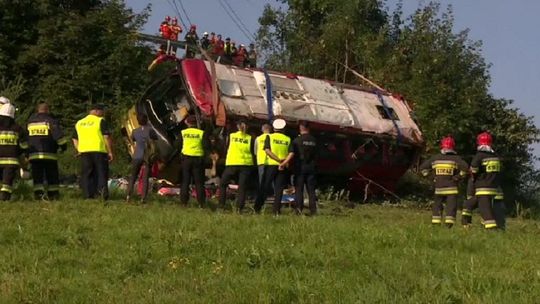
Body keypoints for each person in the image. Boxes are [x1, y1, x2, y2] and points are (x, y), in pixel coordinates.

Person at [419, 136, 468, 227]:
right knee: (451, 207)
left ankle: (436, 223)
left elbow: (423, 169)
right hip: (452, 189)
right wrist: (457, 177)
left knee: (437, 205)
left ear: (442, 146)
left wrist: (432, 177)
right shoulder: (456, 159)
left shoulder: (435, 158)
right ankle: (449, 225)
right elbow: (465, 169)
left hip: (439, 188)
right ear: (453, 147)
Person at [462, 131, 502, 229]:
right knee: (468, 204)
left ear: (479, 143)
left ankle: (492, 231)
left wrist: (473, 179)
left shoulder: (479, 156)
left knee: (486, 211)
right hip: (493, 188)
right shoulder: (495, 157)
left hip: (482, 188)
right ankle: (466, 225)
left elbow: (473, 171)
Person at [27, 103, 67, 200]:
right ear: (48, 110)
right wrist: (63, 147)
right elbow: (58, 137)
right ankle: (53, 196)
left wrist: (26, 152)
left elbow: (26, 138)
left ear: (38, 110)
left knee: (37, 176)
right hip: (49, 154)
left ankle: (39, 195)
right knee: (52, 175)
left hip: (34, 154)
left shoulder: (30, 122)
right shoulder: (50, 121)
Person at [73, 104, 114, 200]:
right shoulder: (100, 121)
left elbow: (74, 139)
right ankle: (102, 195)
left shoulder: (79, 122)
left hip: (85, 152)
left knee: (87, 174)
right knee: (101, 173)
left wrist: (79, 149)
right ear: (96, 111)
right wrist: (110, 151)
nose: (102, 113)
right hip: (99, 151)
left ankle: (88, 195)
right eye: (101, 111)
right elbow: (106, 137)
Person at [254, 119, 292, 215]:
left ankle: (257, 207)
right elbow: (291, 153)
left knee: (264, 186)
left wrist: (278, 160)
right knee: (279, 189)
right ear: (283, 128)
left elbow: (267, 151)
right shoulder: (287, 139)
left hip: (270, 165)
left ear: (274, 128)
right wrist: (283, 163)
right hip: (282, 167)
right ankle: (276, 211)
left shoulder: (269, 137)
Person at [281, 121, 318, 215]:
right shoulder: (314, 140)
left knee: (299, 189)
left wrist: (285, 163)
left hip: (300, 168)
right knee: (311, 191)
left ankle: (298, 210)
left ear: (300, 128)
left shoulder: (296, 140)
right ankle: (313, 210)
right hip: (312, 168)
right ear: (308, 128)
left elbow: (292, 154)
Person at [219, 120, 255, 210]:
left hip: (232, 163)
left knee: (223, 184)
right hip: (246, 164)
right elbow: (253, 152)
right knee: (242, 187)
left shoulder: (231, 136)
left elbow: (225, 147)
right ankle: (239, 208)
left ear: (237, 127)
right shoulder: (251, 138)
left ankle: (221, 205)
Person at [126, 113, 158, 204]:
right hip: (147, 156)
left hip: (137, 155)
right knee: (145, 178)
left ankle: (128, 196)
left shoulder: (135, 131)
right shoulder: (150, 130)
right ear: (147, 120)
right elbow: (155, 140)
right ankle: (143, 198)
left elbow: (132, 139)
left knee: (133, 176)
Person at [178, 115, 209, 207]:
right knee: (199, 182)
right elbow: (206, 146)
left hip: (186, 159)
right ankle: (201, 203)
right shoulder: (201, 133)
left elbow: (177, 144)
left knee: (185, 181)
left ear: (188, 123)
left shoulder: (183, 133)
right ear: (196, 123)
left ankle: (184, 202)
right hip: (198, 160)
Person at [0, 103, 27, 201]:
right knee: (7, 181)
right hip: (11, 161)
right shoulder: (17, 128)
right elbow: (24, 146)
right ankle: (4, 197)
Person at [255, 123, 272, 196]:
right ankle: (272, 194)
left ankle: (262, 195)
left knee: (262, 179)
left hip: (261, 161)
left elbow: (255, 151)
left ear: (263, 129)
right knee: (272, 179)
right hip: (272, 161)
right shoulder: (273, 137)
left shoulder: (258, 138)